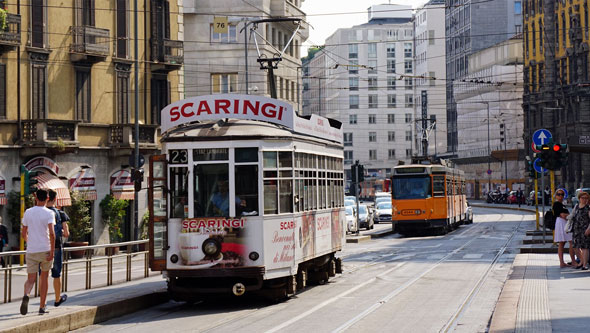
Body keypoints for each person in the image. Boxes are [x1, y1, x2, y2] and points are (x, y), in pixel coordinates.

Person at [20, 189, 55, 315]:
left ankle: (27, 294)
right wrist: (52, 251)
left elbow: (24, 233)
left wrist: (30, 242)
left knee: (31, 279)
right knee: (44, 277)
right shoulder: (49, 213)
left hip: (32, 250)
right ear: (47, 198)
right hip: (45, 249)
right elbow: (52, 233)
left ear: (35, 198)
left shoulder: (28, 212)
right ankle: (42, 307)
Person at [46, 189, 69, 307]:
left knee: (43, 275)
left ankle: (42, 302)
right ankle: (57, 298)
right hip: (56, 246)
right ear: (55, 199)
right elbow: (66, 233)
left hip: (43, 247)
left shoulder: (42, 212)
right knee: (56, 273)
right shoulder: (61, 214)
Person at [552, 189, 576, 268]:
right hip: (561, 223)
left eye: (562, 194)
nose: (560, 196)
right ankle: (564, 262)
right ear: (556, 195)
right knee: (563, 242)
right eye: (559, 194)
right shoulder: (556, 204)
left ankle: (572, 261)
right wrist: (569, 216)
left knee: (570, 242)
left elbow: (566, 214)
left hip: (565, 223)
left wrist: (568, 215)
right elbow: (562, 215)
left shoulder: (562, 204)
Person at [571, 191, 590, 270]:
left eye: (586, 198)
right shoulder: (576, 207)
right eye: (583, 198)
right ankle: (581, 261)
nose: (585, 200)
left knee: (585, 247)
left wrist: (589, 228)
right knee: (575, 247)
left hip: (585, 229)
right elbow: (572, 216)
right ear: (579, 198)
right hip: (576, 229)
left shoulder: (588, 208)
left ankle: (584, 264)